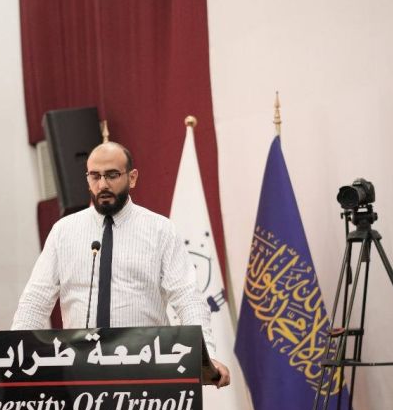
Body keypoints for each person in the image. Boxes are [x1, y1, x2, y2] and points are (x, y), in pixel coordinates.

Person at [12, 141, 230, 387]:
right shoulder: (64, 231)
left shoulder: (160, 230)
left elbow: (187, 297)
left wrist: (206, 355)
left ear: (132, 178)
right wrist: (14, 354)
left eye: (112, 175)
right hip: (81, 374)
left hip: (147, 371)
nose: (102, 184)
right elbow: (36, 299)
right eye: (95, 176)